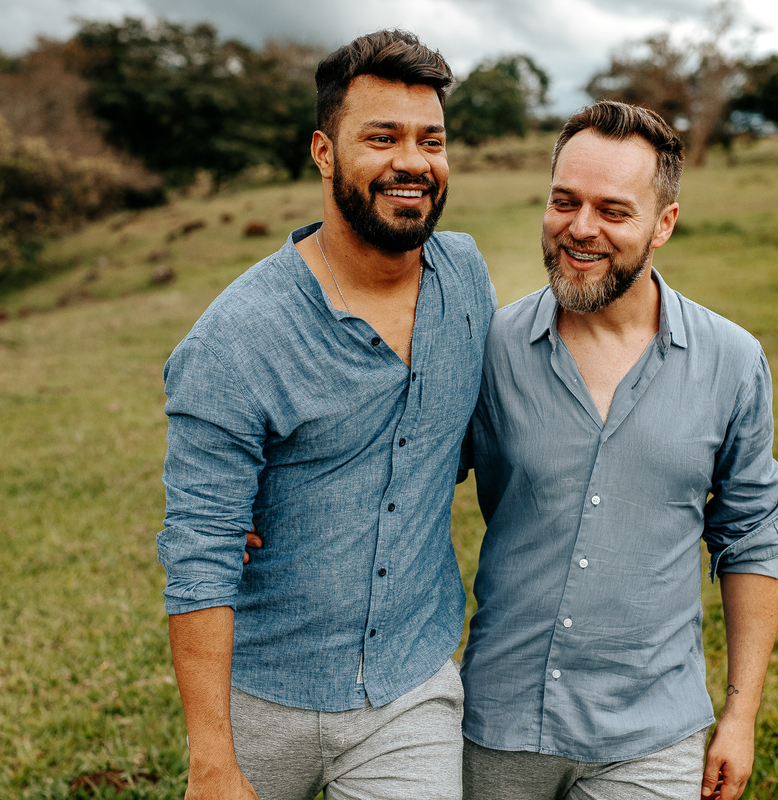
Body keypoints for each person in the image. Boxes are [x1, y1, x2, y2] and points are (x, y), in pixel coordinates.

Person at [157, 30, 495, 800]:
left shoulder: (466, 279)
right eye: (382, 137)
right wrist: (212, 761)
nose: (413, 160)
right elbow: (200, 549)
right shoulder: (236, 339)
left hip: (409, 685)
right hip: (261, 693)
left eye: (431, 140)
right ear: (324, 151)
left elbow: (477, 437)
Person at [458, 101, 778, 800]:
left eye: (613, 210)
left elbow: (753, 541)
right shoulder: (487, 349)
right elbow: (399, 466)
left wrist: (741, 713)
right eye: (564, 202)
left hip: (651, 736)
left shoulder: (733, 361)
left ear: (662, 224)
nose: (580, 229)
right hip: (498, 723)